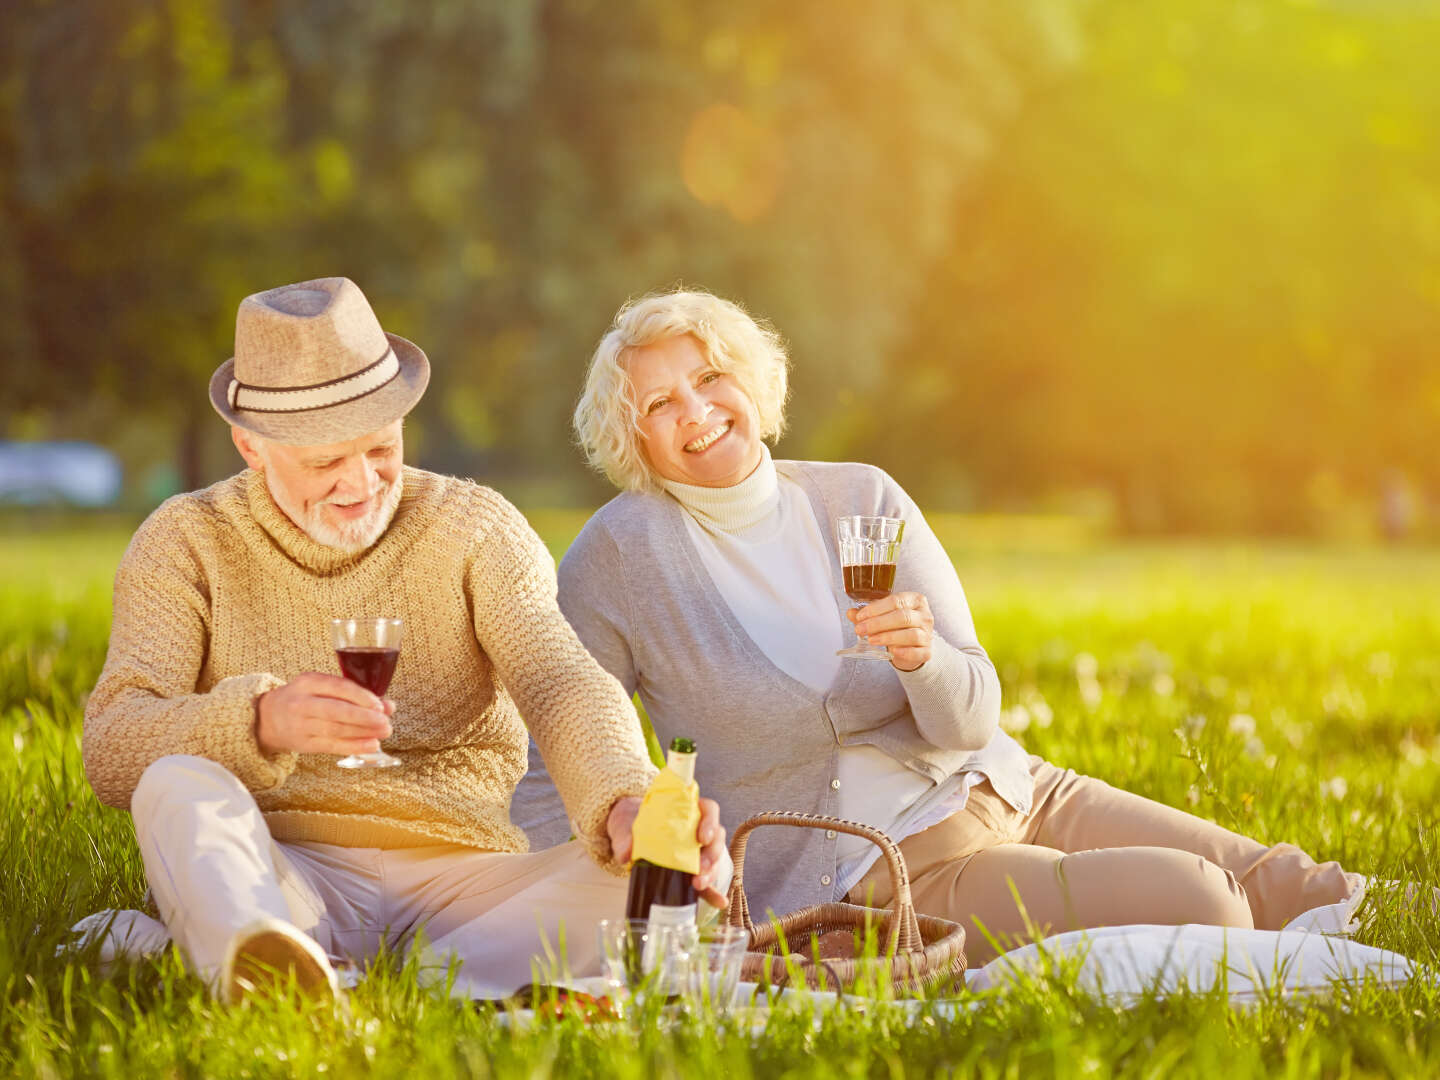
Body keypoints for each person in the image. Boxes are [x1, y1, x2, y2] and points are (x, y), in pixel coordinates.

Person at [524, 286, 1367, 966]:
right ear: (633, 438)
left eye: (708, 378)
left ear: (749, 382)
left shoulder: (860, 497)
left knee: (1286, 880)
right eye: (661, 403)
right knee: (1203, 898)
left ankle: (1385, 913)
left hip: (1004, 783)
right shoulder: (619, 558)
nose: (697, 410)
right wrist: (519, 892)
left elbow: (971, 718)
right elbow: (555, 739)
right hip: (883, 866)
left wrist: (923, 659)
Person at [81, 277, 728, 1002]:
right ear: (250, 446)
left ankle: (301, 970)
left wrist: (624, 800)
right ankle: (283, 954)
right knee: (176, 782)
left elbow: (558, 679)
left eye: (380, 448)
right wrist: (260, 723)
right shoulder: (185, 540)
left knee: (673, 872)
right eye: (326, 462)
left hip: (473, 887)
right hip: (286, 872)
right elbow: (113, 745)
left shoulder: (475, 526)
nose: (361, 483)